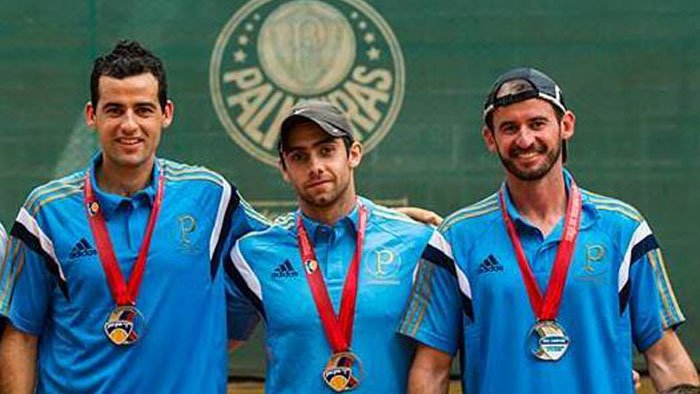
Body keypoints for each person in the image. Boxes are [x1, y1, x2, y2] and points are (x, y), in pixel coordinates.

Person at [399, 67, 699, 394]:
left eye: (537, 123)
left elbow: (666, 358)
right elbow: (430, 371)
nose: (525, 140)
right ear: (490, 138)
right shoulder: (456, 238)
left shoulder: (624, 229)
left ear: (566, 125)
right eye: (509, 128)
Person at [0, 40, 269, 393]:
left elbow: (279, 254)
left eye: (143, 109)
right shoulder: (45, 212)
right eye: (114, 110)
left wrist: (210, 335)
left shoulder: (211, 196)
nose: (129, 125)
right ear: (91, 115)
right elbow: (20, 334)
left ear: (166, 113)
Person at [225, 101, 442, 393]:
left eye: (326, 151)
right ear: (285, 169)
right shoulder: (253, 255)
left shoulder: (416, 242)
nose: (315, 167)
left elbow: (443, 357)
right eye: (299, 157)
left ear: (353, 154)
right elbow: (215, 343)